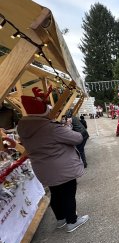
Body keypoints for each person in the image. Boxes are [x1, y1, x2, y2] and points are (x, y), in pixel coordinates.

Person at [17, 87, 89, 233]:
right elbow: (77, 138)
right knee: (68, 193)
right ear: (44, 111)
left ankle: (61, 219)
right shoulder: (50, 127)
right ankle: (72, 221)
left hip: (43, 169)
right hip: (61, 168)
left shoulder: (23, 128)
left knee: (55, 193)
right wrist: (68, 128)